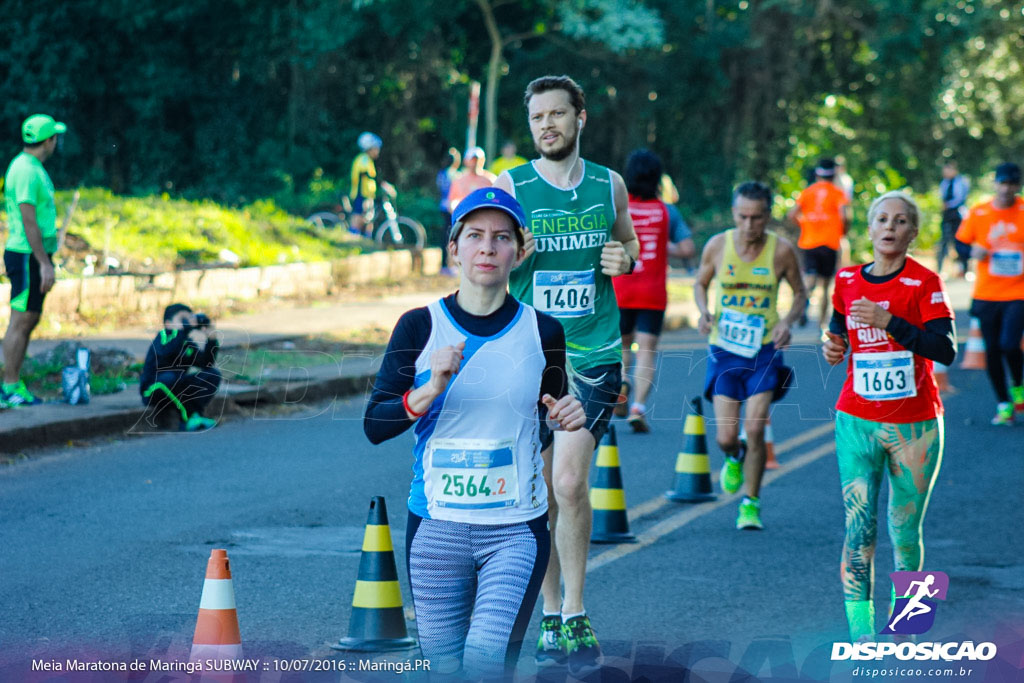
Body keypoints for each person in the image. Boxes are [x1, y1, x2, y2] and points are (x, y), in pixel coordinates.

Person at [363, 187, 585, 678]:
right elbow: (375, 425)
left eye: (502, 237)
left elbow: (547, 418)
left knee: (486, 664)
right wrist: (428, 390)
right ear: (455, 248)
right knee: (443, 670)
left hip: (516, 531)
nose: (487, 247)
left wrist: (562, 417)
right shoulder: (419, 327)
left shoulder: (544, 332)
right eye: (475, 236)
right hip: (436, 527)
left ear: (519, 252)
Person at [494, 74, 639, 673]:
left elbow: (629, 247)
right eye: (537, 118)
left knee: (570, 483)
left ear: (581, 117)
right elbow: (481, 263)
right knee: (538, 492)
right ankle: (551, 613)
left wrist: (623, 259)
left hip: (593, 355)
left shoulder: (610, 184)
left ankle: (576, 609)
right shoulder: (512, 185)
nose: (547, 125)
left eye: (557, 114)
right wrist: (509, 257)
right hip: (528, 356)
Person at [822, 191, 955, 641]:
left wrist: (888, 321)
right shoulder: (845, 279)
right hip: (856, 420)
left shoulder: (925, 281)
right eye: (882, 219)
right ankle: (862, 636)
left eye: (900, 221)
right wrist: (832, 346)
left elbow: (945, 349)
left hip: (915, 425)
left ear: (912, 232)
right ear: (870, 228)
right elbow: (838, 330)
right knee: (858, 527)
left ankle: (909, 629)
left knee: (904, 530)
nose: (890, 227)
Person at [694, 182, 806, 530]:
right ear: (733, 214)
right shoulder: (717, 246)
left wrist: (787, 322)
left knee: (755, 428)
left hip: (764, 351)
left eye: (756, 218)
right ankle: (732, 457)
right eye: (742, 216)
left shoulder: (781, 251)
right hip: (725, 351)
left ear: (767, 216)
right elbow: (700, 283)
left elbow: (800, 292)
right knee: (726, 436)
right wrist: (702, 312)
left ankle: (750, 503)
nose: (748, 225)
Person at [612, 149, 696, 432]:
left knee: (622, 346)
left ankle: (621, 385)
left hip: (620, 288)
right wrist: (662, 247)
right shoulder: (666, 211)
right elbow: (688, 248)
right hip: (652, 293)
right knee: (647, 349)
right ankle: (638, 407)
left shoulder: (618, 208)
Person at [2, 114, 67, 407]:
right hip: (28, 255)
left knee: (27, 319)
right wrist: (44, 262)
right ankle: (10, 386)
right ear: (49, 140)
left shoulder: (27, 166)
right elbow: (29, 221)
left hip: (29, 254)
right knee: (21, 320)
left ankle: (13, 383)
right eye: (55, 137)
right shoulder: (27, 171)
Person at [955, 161, 1024, 425]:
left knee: (1009, 344)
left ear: (1017, 186)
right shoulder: (979, 212)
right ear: (995, 184)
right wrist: (971, 253)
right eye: (1002, 183)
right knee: (992, 350)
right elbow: (961, 243)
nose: (1006, 189)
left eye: (1012, 184)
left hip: (1018, 293)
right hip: (986, 293)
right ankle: (1003, 403)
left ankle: (1018, 383)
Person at [788, 158, 851, 330]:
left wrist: (805, 225)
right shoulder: (838, 193)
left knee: (810, 276)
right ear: (834, 174)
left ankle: (804, 302)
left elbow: (792, 214)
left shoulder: (808, 192)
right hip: (830, 243)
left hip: (809, 242)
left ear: (817, 174)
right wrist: (843, 231)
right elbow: (845, 216)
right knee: (825, 285)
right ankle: (822, 325)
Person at [140, 304, 221, 431]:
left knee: (212, 374)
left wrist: (211, 339)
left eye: (190, 319)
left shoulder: (187, 343)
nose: (188, 322)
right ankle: (187, 418)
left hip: (177, 387)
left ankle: (196, 415)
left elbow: (206, 364)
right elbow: (166, 352)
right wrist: (183, 331)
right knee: (169, 377)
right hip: (154, 388)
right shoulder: (163, 336)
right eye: (183, 319)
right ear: (168, 324)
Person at [349, 132, 395, 237]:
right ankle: (351, 239)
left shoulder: (367, 160)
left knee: (369, 219)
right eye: (376, 148)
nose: (378, 151)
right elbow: (366, 176)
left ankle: (365, 241)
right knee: (359, 218)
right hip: (361, 195)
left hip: (368, 195)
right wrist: (384, 185)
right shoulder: (363, 159)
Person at [937, 160, 971, 278]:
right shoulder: (944, 183)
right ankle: (940, 270)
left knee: (961, 242)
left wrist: (949, 204)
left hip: (958, 215)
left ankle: (964, 269)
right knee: (944, 242)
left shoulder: (961, 181)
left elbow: (961, 198)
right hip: (947, 215)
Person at [436, 147, 462, 275]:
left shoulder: (440, 174)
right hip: (453, 209)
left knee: (444, 237)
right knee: (453, 237)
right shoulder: (456, 175)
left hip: (442, 206)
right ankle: (451, 265)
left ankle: (443, 265)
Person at [448, 147, 496, 212]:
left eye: (477, 160)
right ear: (466, 161)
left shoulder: (491, 180)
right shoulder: (459, 181)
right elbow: (452, 201)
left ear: (483, 160)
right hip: (465, 216)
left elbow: (496, 200)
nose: (474, 163)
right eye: (472, 160)